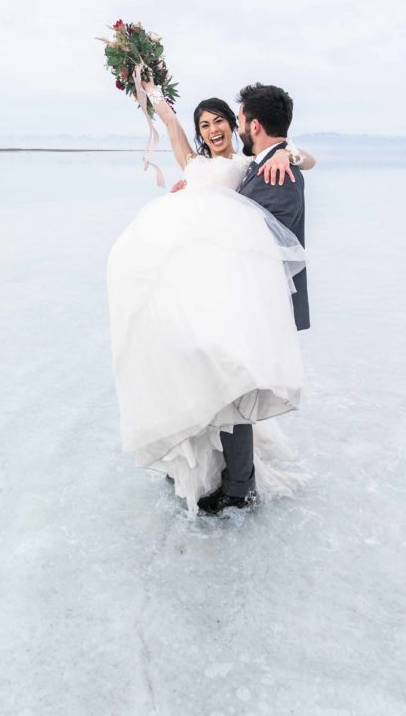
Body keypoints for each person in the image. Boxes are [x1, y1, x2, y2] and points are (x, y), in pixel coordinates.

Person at [107, 72, 314, 515]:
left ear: (243, 126)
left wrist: (293, 151)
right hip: (188, 282)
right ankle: (199, 466)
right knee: (191, 370)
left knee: (225, 375)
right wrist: (147, 90)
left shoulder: (247, 168)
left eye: (223, 119)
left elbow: (289, 162)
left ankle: (239, 484)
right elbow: (171, 126)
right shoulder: (196, 164)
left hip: (227, 286)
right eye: (206, 124)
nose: (216, 128)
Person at [196, 83, 310, 515]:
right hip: (241, 301)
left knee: (235, 391)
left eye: (239, 119)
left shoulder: (278, 175)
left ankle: (239, 490)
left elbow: (262, 246)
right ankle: (235, 480)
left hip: (256, 307)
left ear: (253, 125)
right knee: (227, 388)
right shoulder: (265, 166)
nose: (237, 126)